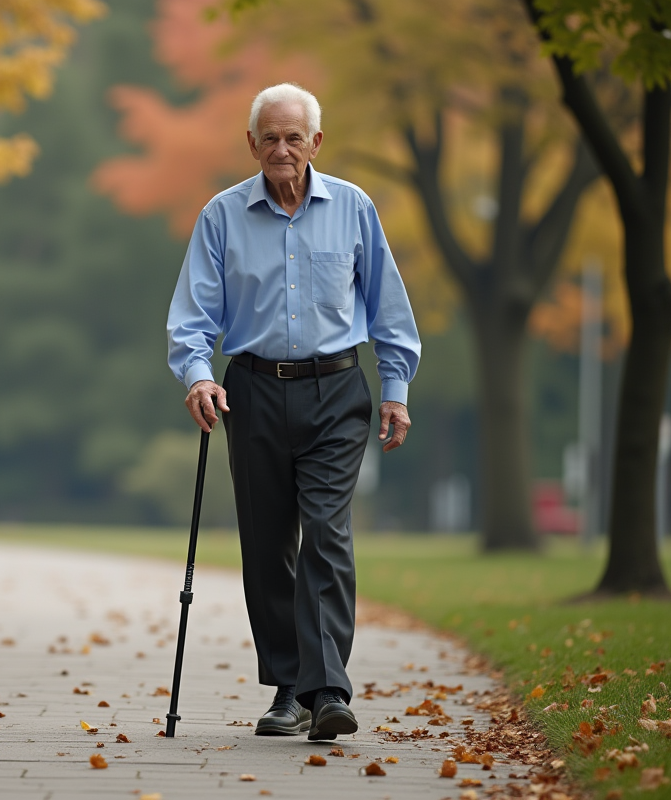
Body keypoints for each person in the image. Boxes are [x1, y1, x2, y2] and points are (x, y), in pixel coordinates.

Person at [166, 82, 421, 741]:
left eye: (294, 137)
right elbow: (192, 320)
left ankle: (328, 689)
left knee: (327, 538)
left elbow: (390, 310)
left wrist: (395, 389)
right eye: (270, 138)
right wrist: (198, 377)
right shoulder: (222, 217)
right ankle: (288, 689)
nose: (282, 149)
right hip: (251, 391)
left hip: (337, 392)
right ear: (252, 145)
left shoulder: (355, 208)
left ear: (316, 142)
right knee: (267, 545)